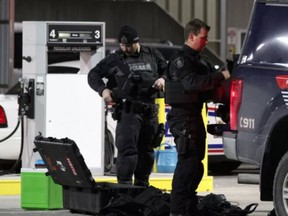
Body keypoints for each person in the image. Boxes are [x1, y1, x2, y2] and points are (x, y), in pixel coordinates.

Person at [165, 18, 230, 216]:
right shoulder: (181, 61)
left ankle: (188, 208)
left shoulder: (200, 60)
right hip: (182, 117)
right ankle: (177, 211)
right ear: (192, 36)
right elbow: (192, 84)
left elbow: (210, 81)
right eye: (204, 37)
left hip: (195, 115)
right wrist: (221, 76)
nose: (207, 41)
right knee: (188, 164)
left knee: (196, 164)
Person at [88, 25, 167, 187]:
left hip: (150, 111)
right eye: (122, 46)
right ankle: (124, 188)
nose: (125, 49)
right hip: (128, 111)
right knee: (127, 151)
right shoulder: (115, 59)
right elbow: (93, 75)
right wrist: (103, 90)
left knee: (146, 151)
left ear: (137, 42)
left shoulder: (151, 54)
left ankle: (142, 186)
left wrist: (163, 79)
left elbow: (169, 71)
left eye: (128, 46)